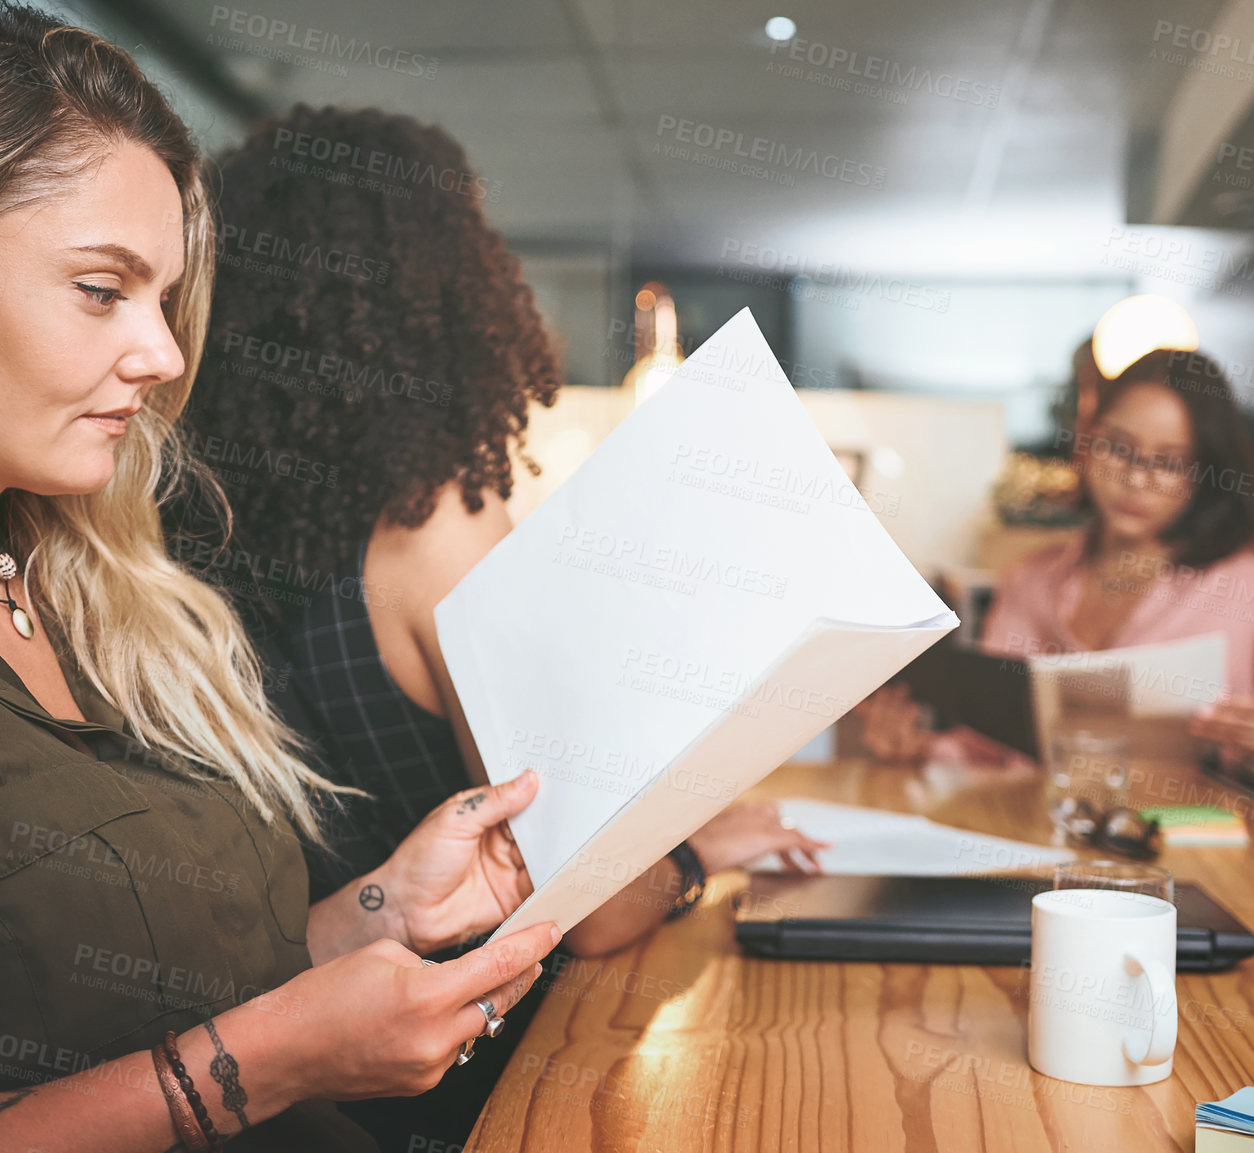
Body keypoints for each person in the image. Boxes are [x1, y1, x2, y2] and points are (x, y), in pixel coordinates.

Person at [0, 8, 560, 1153]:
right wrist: (267, 1064)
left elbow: (156, 992)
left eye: (164, 299)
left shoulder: (88, 583)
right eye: (103, 291)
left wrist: (381, 911)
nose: (161, 354)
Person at [174, 105, 826, 1150]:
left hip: (289, 1052)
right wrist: (698, 855)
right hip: (457, 1064)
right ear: (443, 292)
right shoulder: (435, 517)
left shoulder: (201, 523)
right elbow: (597, 906)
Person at [858, 348, 1254, 764]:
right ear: (1086, 444)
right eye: (1118, 448)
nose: (1136, 478)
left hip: (1207, 851)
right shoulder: (1034, 578)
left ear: (1206, 474)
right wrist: (920, 751)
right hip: (1046, 843)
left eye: (1169, 463)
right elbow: (995, 754)